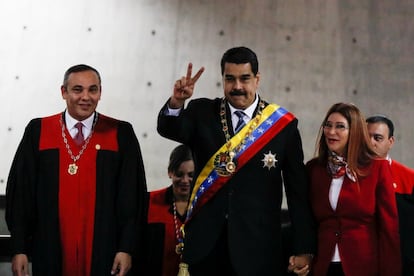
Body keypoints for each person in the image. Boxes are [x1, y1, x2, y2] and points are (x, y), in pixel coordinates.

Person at [157, 46, 316, 275]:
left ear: (257, 79)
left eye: (245, 79)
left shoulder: (282, 126)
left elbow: (297, 192)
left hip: (259, 249)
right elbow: (169, 129)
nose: (237, 87)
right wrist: (176, 102)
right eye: (230, 79)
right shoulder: (202, 111)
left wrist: (303, 248)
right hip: (206, 246)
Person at [5, 64, 147, 276]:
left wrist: (126, 248)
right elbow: (21, 195)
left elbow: (132, 198)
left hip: (104, 250)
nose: (86, 97)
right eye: (77, 89)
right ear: (64, 92)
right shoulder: (39, 131)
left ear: (100, 92)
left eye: (93, 89)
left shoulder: (120, 133)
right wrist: (19, 249)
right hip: (49, 248)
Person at [306, 103, 401, 275]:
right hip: (323, 265)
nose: (331, 131)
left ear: (355, 132)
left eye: (340, 126)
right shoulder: (314, 169)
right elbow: (308, 221)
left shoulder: (377, 167)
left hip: (363, 266)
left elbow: (389, 229)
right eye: (328, 125)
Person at [366, 114, 414, 276]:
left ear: (390, 142)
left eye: (377, 138)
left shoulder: (409, 179)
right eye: (366, 137)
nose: (370, 142)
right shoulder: (347, 175)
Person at [141, 144, 194, 276]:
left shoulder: (205, 205)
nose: (185, 180)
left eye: (191, 175)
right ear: (170, 172)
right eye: (179, 174)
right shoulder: (149, 202)